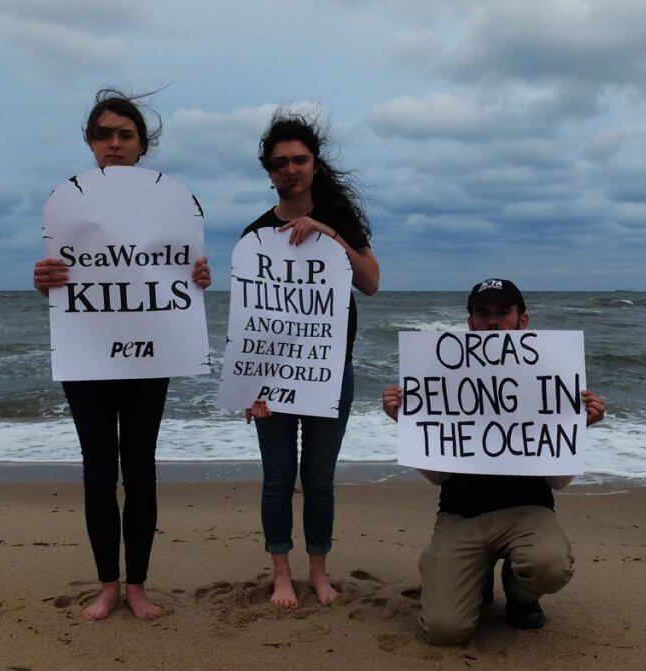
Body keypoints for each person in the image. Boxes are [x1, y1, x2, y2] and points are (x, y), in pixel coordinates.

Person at [32, 89, 212, 621]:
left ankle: (137, 586)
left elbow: (179, 271)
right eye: (104, 134)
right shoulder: (68, 202)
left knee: (140, 470)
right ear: (91, 143)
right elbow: (67, 283)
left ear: (141, 145)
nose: (115, 143)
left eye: (125, 134)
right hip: (87, 358)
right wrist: (45, 281)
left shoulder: (171, 203)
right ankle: (107, 584)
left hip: (147, 359)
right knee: (97, 472)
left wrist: (199, 278)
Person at [382, 278, 606, 644]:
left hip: (527, 512)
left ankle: (521, 598)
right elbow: (438, 476)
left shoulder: (550, 372)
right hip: (461, 515)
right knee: (444, 631)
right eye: (483, 314)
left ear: (523, 321)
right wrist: (407, 423)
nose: (493, 322)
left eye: (503, 313)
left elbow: (559, 482)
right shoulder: (447, 374)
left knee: (548, 565)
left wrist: (578, 427)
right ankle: (474, 579)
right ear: (470, 323)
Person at [242, 111, 380, 609]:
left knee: (319, 477)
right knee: (278, 477)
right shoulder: (254, 237)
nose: (290, 169)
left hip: (329, 370)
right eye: (280, 162)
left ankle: (318, 571)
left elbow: (370, 281)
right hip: (272, 376)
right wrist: (247, 386)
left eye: (299, 159)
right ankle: (281, 573)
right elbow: (249, 321)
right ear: (269, 171)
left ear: (315, 165)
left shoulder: (337, 222)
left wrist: (327, 233)